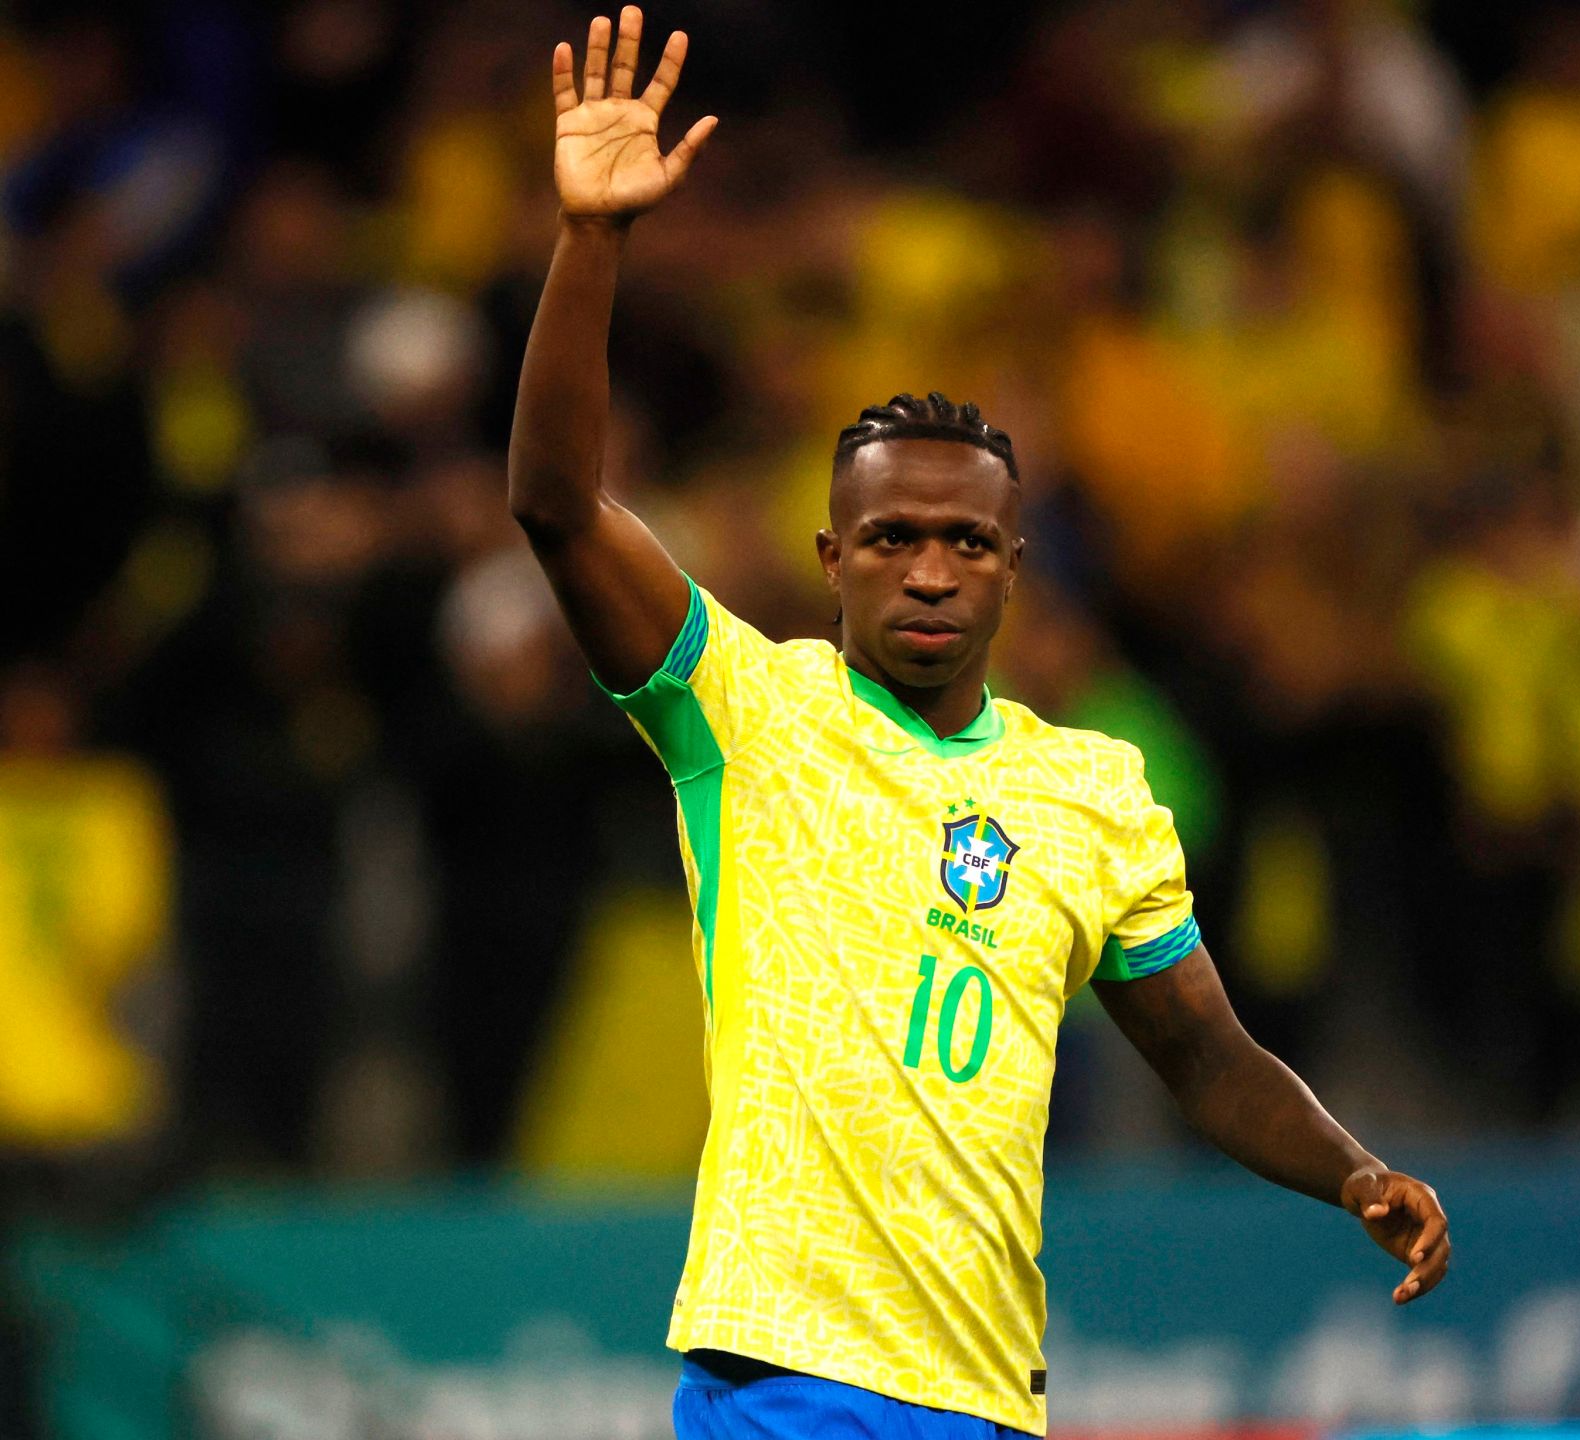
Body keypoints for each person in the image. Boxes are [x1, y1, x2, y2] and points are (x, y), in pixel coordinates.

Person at [509, 12, 1452, 1438]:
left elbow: (1206, 1055)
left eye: (966, 542)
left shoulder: (1095, 791)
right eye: (891, 537)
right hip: (778, 1369)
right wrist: (592, 242)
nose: (930, 569)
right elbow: (557, 507)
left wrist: (1350, 1170)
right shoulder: (747, 711)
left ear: (1016, 567)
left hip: (985, 1392)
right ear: (832, 558)